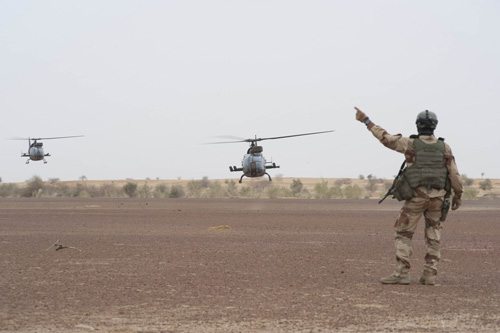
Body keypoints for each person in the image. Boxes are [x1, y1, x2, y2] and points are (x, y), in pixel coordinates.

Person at [355, 107, 463, 285]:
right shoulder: (445, 147)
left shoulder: (410, 144)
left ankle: (402, 273)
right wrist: (458, 196)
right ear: (434, 126)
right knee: (433, 236)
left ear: (418, 126)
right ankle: (430, 275)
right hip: (438, 200)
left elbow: (385, 138)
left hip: (416, 198)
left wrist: (367, 121)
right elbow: (454, 175)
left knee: (403, 234)